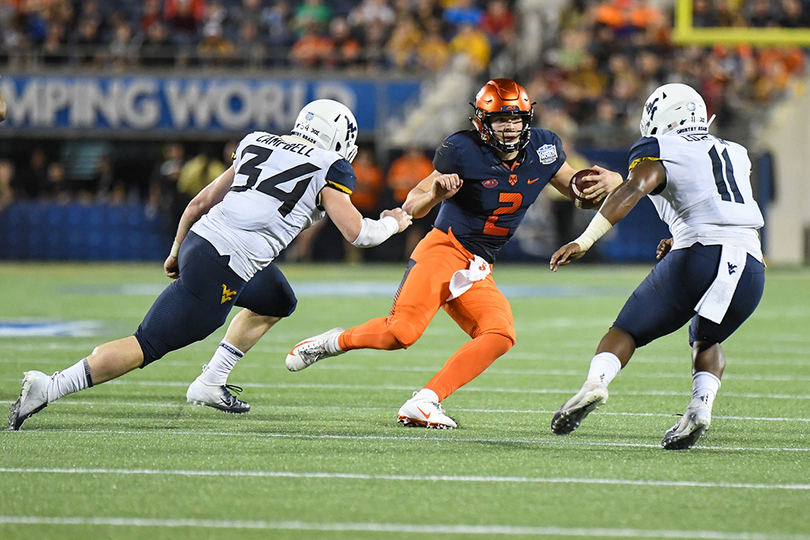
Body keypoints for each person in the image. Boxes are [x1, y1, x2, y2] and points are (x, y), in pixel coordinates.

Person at [8, 99, 412, 430]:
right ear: (338, 137)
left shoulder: (257, 141)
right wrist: (395, 221)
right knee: (146, 344)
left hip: (202, 242)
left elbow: (200, 203)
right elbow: (358, 234)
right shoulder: (330, 165)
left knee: (277, 299)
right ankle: (51, 386)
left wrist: (175, 249)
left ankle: (211, 381)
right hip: (224, 263)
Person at [285, 79, 622, 429]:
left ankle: (425, 400)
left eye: (516, 119)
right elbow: (412, 203)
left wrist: (610, 182)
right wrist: (436, 191)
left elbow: (578, 192)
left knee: (500, 334)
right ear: (482, 122)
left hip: (478, 266)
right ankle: (329, 342)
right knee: (400, 334)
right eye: (500, 120)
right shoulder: (462, 150)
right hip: (444, 249)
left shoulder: (543, 148)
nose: (510, 127)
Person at [548, 83, 765, 450]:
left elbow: (636, 188)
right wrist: (680, 238)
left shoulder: (662, 147)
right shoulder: (736, 151)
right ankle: (700, 407)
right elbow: (715, 205)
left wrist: (584, 239)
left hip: (700, 255)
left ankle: (594, 385)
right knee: (707, 336)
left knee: (627, 330)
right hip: (752, 268)